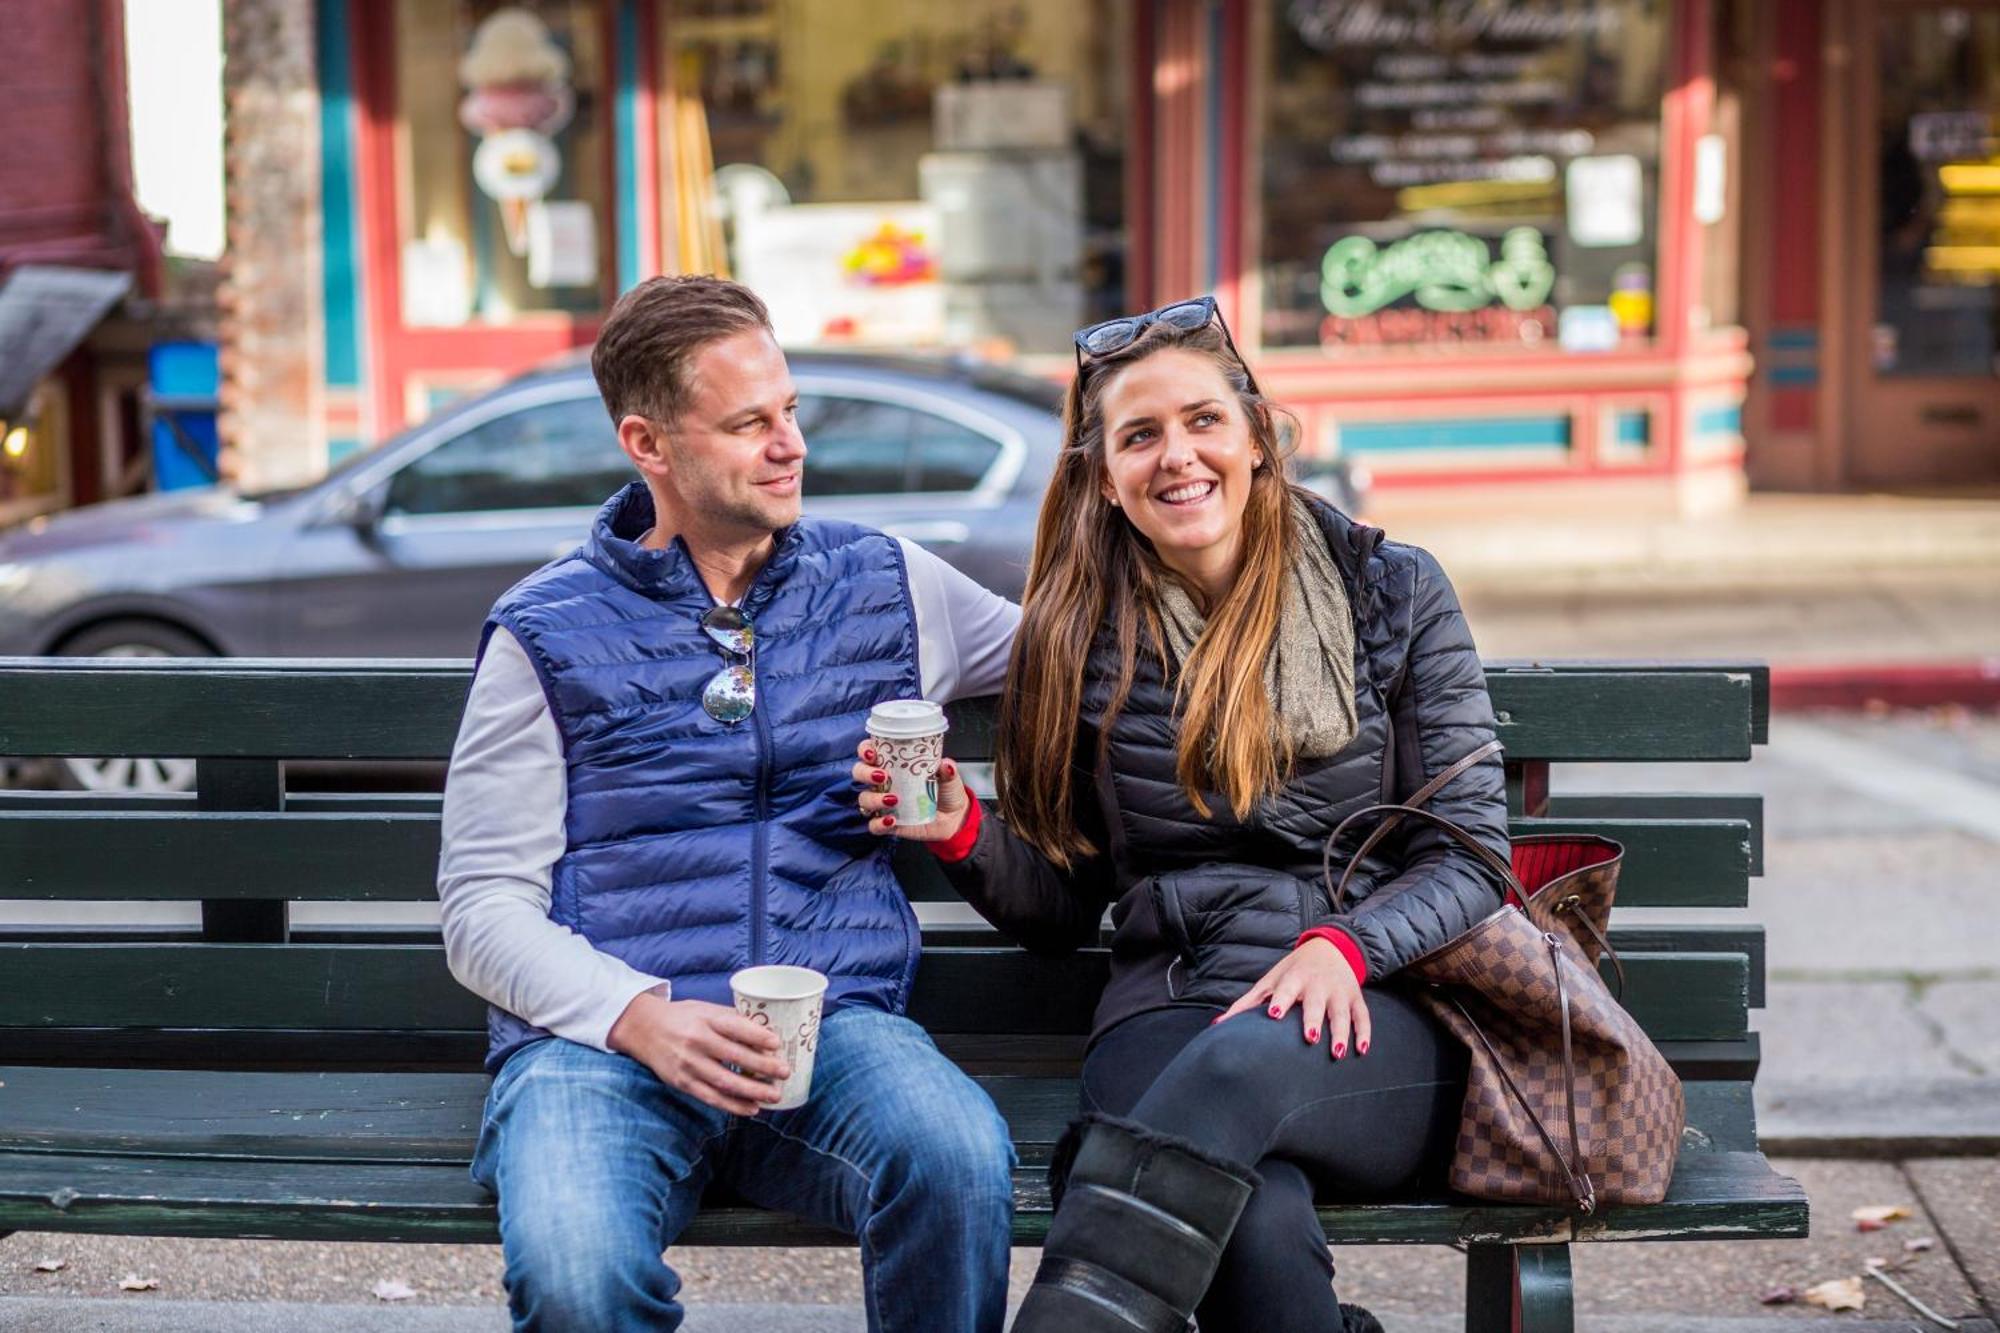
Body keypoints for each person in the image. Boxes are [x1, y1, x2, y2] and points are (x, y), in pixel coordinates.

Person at [857, 297, 1510, 1333]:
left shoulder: (1390, 590)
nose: (1177, 456)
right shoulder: (1074, 632)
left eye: (1202, 420)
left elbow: (1473, 856)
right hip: (1164, 998)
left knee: (1236, 1063)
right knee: (1250, 1225)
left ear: (1255, 436)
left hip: (1373, 1009)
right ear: (1104, 477)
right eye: (1139, 435)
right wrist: (961, 833)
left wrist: (1343, 944)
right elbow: (1067, 905)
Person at [439, 275, 1022, 1333]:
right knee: (576, 1275)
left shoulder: (884, 581)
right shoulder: (546, 630)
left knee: (958, 1161)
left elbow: (1076, 656)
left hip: (832, 1025)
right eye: (748, 423)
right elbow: (482, 906)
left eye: (789, 411)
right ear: (647, 444)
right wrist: (635, 1016)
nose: (789, 443)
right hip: (601, 1046)